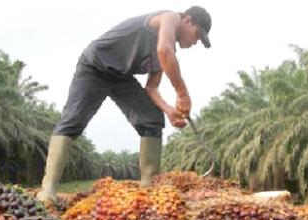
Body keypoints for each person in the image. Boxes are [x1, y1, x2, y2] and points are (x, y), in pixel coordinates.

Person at [37, 6, 212, 204]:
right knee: (73, 121)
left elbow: (152, 88)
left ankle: (149, 189)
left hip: (121, 77)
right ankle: (48, 189)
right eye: (197, 35)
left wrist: (169, 110)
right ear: (187, 20)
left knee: (152, 119)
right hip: (94, 66)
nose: (195, 42)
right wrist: (182, 93)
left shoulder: (165, 53)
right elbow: (165, 50)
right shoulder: (170, 18)